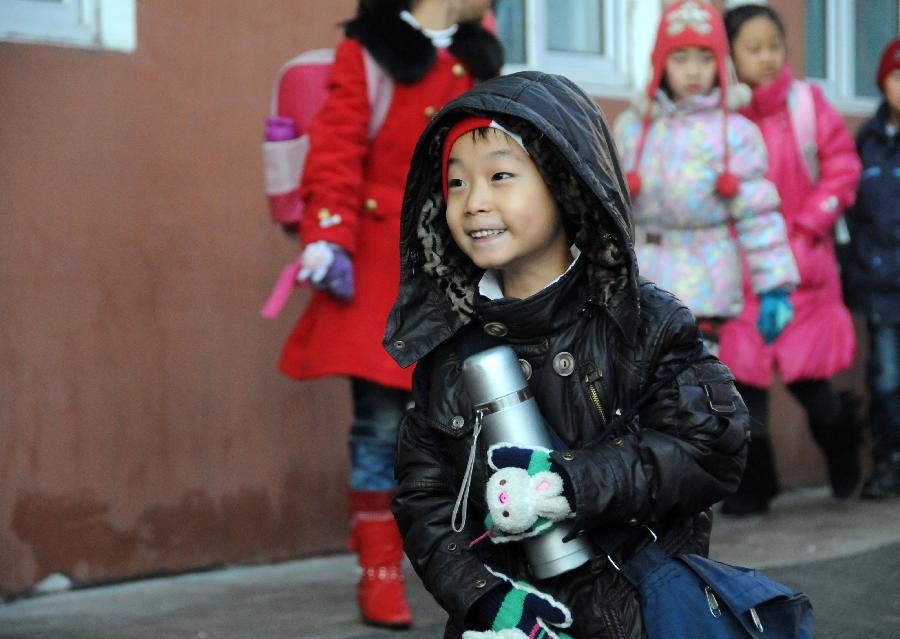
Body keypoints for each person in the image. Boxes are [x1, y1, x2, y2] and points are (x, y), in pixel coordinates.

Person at [383, 70, 749, 637]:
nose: (474, 202)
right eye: (455, 184)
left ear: (565, 184)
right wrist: (482, 599)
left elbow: (710, 450)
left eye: (500, 176)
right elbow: (423, 499)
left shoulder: (641, 321)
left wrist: (570, 483)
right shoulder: (450, 347)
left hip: (634, 618)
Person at [270, 0, 502, 628]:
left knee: (469, 423)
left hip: (462, 267)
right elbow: (337, 150)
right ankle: (378, 573)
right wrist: (328, 236)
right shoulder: (368, 51)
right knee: (378, 428)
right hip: (378, 270)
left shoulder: (481, 53)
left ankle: (470, 560)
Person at [717, 1, 863, 515]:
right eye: (753, 48)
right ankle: (758, 487)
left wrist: (809, 224)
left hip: (803, 270)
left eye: (774, 46)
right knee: (744, 390)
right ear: (729, 55)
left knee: (811, 385)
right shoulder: (720, 118)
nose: (767, 58)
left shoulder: (807, 104)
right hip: (743, 278)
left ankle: (845, 455)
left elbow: (843, 168)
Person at [613, 0, 798, 361]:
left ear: (721, 63)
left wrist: (775, 285)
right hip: (643, 279)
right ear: (660, 64)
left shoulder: (735, 133)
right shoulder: (634, 129)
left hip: (707, 282)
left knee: (692, 389)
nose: (693, 71)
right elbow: (607, 206)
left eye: (705, 58)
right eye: (680, 58)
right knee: (643, 386)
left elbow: (758, 213)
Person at [842, 38, 900, 500]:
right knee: (885, 378)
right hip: (880, 287)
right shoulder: (867, 140)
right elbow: (853, 214)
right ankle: (888, 463)